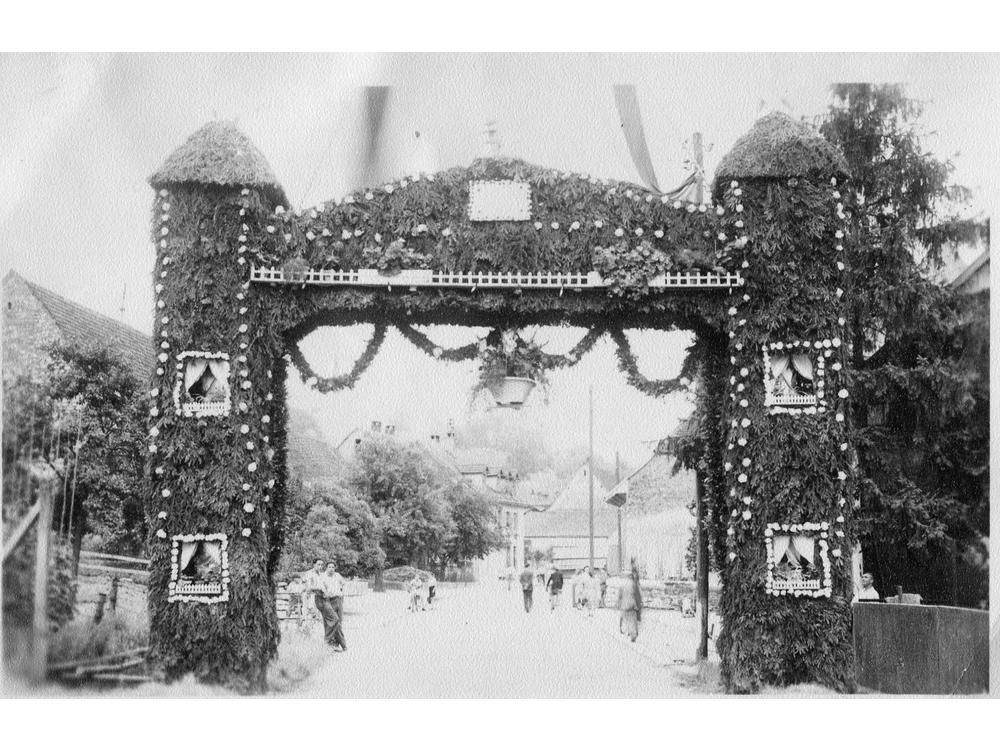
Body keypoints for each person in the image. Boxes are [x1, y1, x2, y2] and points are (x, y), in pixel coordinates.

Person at [619, 563, 643, 642]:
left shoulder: (622, 585)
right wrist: (639, 605)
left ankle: (629, 631)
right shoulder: (634, 585)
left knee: (627, 619)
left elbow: (620, 596)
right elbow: (638, 596)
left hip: (624, 604)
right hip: (633, 604)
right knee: (633, 619)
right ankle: (633, 633)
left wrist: (618, 604)